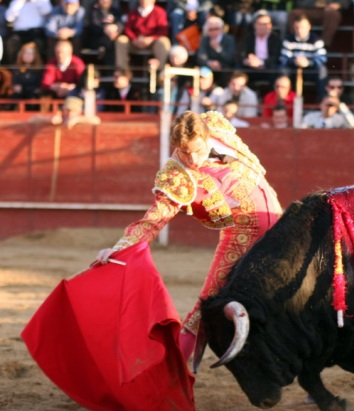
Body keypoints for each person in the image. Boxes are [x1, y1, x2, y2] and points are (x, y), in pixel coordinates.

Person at [95, 110, 283, 363]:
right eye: (185, 152)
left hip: (282, 227)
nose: (192, 159)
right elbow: (153, 220)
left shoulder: (217, 129)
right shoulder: (177, 176)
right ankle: (171, 373)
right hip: (242, 238)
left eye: (197, 150)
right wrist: (120, 248)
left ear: (207, 137)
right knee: (206, 308)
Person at [280, 13, 328, 100]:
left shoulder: (316, 40)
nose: (299, 30)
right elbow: (283, 59)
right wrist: (294, 61)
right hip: (293, 69)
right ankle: (283, 100)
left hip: (310, 70)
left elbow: (322, 58)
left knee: (322, 70)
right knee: (282, 70)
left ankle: (321, 100)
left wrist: (308, 63)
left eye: (302, 27)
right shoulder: (288, 40)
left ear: (309, 27)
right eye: (297, 27)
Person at [114, 0, 171, 72]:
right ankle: (122, 73)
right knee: (121, 40)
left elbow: (163, 30)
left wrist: (151, 39)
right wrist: (134, 39)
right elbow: (127, 29)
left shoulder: (160, 12)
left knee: (164, 41)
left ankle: (161, 72)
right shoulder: (133, 13)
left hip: (153, 43)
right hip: (135, 42)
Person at [237, 10, 283, 88]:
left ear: (270, 25)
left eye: (265, 24)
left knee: (276, 70)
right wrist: (247, 61)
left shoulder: (275, 38)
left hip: (268, 68)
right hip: (251, 68)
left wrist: (261, 62)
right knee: (238, 70)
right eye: (259, 24)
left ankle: (271, 97)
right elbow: (241, 54)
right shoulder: (248, 37)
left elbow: (276, 57)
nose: (262, 26)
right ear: (255, 25)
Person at [4, 0, 52, 64]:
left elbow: (48, 12)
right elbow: (9, 17)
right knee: (11, 44)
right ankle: (15, 69)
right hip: (19, 32)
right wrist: (20, 2)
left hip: (36, 31)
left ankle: (38, 69)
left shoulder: (43, 1)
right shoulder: (16, 2)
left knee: (40, 44)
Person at [196, 15, 237, 87]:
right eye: (210, 29)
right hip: (208, 69)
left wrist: (219, 49)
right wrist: (209, 62)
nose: (213, 31)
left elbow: (230, 58)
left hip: (224, 69)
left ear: (221, 29)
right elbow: (200, 56)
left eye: (216, 29)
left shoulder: (229, 39)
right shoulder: (205, 40)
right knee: (203, 73)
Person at [85, 0, 124, 66]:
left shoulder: (116, 10)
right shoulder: (93, 10)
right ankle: (110, 72)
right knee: (109, 43)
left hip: (113, 36)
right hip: (97, 38)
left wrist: (116, 28)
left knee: (119, 42)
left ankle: (118, 70)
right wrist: (105, 29)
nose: (106, 1)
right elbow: (93, 26)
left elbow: (121, 23)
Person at [30, 95, 101, 128]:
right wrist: (48, 119)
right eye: (67, 110)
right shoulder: (60, 119)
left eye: (72, 110)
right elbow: (32, 119)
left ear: (79, 112)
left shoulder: (81, 120)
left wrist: (77, 120)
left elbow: (96, 120)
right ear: (63, 110)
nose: (69, 113)